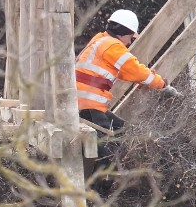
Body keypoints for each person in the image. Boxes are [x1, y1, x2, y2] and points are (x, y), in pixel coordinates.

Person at [75, 9, 180, 169]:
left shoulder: (100, 40)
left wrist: (142, 80)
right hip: (89, 107)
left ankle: (104, 185)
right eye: (131, 37)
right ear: (124, 33)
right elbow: (137, 71)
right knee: (111, 152)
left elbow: (126, 72)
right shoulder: (113, 47)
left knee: (125, 132)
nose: (130, 42)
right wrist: (162, 85)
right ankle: (100, 191)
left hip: (84, 105)